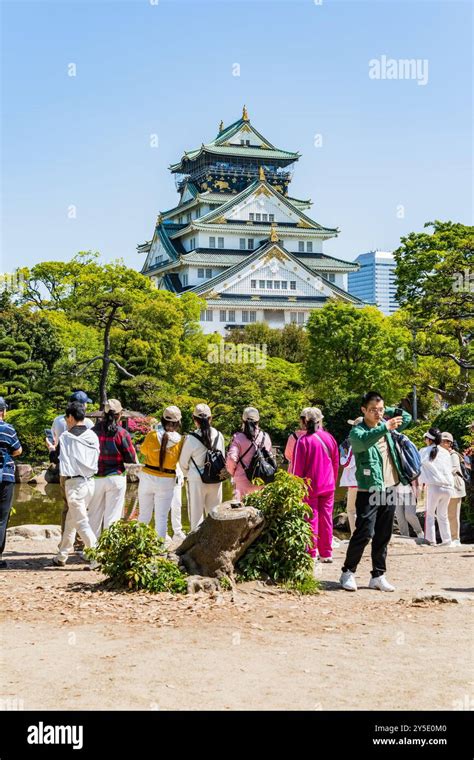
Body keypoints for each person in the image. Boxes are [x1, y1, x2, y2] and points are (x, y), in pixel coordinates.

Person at [340, 392, 412, 592]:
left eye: (380, 410)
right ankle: (348, 571)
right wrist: (384, 425)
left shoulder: (386, 426)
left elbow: (407, 417)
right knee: (364, 532)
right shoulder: (357, 432)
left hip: (389, 487)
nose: (378, 414)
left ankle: (378, 575)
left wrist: (384, 409)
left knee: (383, 534)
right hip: (369, 488)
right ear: (363, 410)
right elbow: (362, 443)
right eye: (373, 410)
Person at [48, 401, 100, 567]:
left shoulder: (65, 437)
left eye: (66, 417)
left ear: (70, 417)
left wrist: (51, 448)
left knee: (81, 522)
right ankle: (62, 555)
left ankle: (97, 556)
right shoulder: (93, 436)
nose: (66, 420)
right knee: (72, 520)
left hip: (74, 484)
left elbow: (56, 459)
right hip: (90, 483)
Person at [292, 408, 339, 564]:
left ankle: (311, 553)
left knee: (311, 518)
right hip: (328, 484)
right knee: (326, 518)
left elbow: (297, 469)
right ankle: (326, 552)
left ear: (304, 421)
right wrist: (332, 480)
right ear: (320, 420)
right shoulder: (329, 438)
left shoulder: (303, 441)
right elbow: (335, 463)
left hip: (309, 486)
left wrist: (295, 487)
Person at [88, 399, 137, 539]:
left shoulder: (92, 432)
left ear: (103, 413)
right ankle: (108, 551)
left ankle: (91, 550)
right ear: (119, 414)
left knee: (93, 515)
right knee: (113, 516)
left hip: (96, 478)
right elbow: (131, 458)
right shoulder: (122, 433)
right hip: (116, 476)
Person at [137, 406, 184, 541]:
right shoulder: (180, 441)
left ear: (162, 420)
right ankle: (160, 546)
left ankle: (138, 544)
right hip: (167, 480)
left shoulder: (152, 435)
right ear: (178, 423)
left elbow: (144, 451)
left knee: (144, 516)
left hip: (147, 478)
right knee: (161, 517)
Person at [179, 404, 225, 531]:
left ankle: (196, 545)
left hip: (197, 480)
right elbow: (222, 458)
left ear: (195, 419)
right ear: (210, 419)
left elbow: (183, 462)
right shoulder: (219, 435)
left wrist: (190, 474)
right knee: (215, 513)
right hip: (216, 478)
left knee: (196, 515)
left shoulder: (191, 438)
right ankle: (214, 542)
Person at [226, 407, 273, 502]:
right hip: (261, 480)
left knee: (240, 512)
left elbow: (231, 458)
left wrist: (233, 472)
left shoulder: (238, 437)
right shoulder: (265, 436)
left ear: (243, 420)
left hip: (241, 482)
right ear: (258, 420)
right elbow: (269, 458)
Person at [419, 428, 454, 546]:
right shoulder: (445, 452)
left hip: (434, 486)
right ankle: (447, 540)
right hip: (448, 486)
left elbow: (418, 466)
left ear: (429, 439)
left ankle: (431, 540)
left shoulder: (424, 451)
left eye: (425, 438)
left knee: (429, 514)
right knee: (442, 515)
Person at [0, 397, 23, 569]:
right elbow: (18, 450)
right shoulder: (8, 429)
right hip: (4, 477)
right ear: (3, 411)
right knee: (1, 518)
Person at [440, 432, 465, 546]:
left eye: (445, 441)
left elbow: (453, 469)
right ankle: (448, 538)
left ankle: (456, 539)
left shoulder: (453, 455)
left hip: (455, 487)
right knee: (444, 513)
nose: (443, 443)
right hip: (445, 485)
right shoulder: (441, 454)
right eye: (441, 441)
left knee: (453, 514)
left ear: (450, 443)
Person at [339, 417, 363, 535]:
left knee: (351, 510)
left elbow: (347, 463)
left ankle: (355, 535)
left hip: (354, 481)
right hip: (366, 481)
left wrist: (342, 453)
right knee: (363, 509)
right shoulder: (369, 441)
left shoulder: (355, 444)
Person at [284, 408, 311, 474]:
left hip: (295, 472)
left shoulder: (293, 437)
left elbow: (288, 455)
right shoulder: (320, 437)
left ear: (301, 421)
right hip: (313, 472)